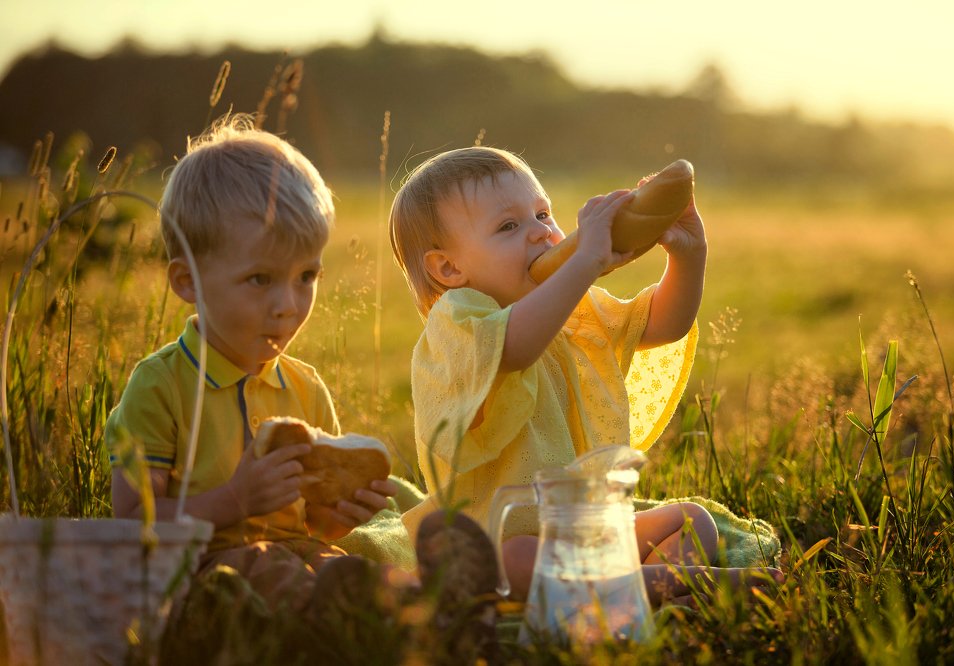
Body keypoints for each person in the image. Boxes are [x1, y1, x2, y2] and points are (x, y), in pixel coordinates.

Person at [388, 146, 783, 605]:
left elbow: (661, 324)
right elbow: (514, 348)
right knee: (516, 558)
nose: (540, 234)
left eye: (542, 214)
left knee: (692, 520)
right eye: (509, 227)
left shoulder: (570, 306)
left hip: (580, 526)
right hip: (494, 534)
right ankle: (660, 589)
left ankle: (635, 591)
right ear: (449, 268)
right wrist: (583, 265)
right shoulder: (459, 322)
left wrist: (689, 256)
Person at [105, 114, 436, 614]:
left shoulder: (304, 387)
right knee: (280, 575)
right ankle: (363, 621)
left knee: (347, 567)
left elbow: (311, 528)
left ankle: (430, 606)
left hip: (294, 556)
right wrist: (234, 501)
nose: (288, 304)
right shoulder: (161, 386)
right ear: (187, 282)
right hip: (196, 571)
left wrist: (339, 515)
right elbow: (131, 525)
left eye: (306, 276)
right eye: (260, 279)